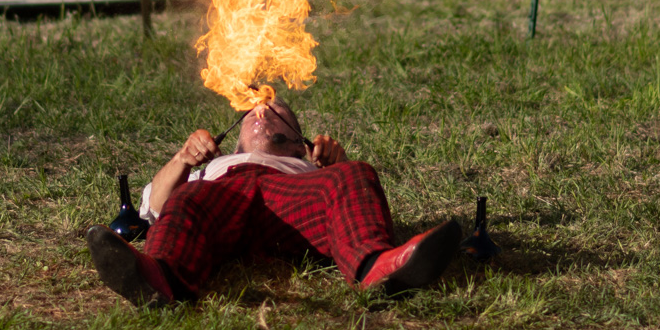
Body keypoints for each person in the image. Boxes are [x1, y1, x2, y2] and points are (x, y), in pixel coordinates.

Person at [85, 100, 460, 307]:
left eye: (276, 112)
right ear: (235, 143)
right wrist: (183, 159)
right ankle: (159, 281)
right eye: (251, 113)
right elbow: (156, 208)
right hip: (223, 199)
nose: (261, 111)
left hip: (289, 199)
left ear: (299, 143)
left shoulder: (303, 166)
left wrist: (340, 165)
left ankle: (377, 268)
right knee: (187, 196)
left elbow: (347, 202)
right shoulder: (210, 170)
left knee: (356, 172)